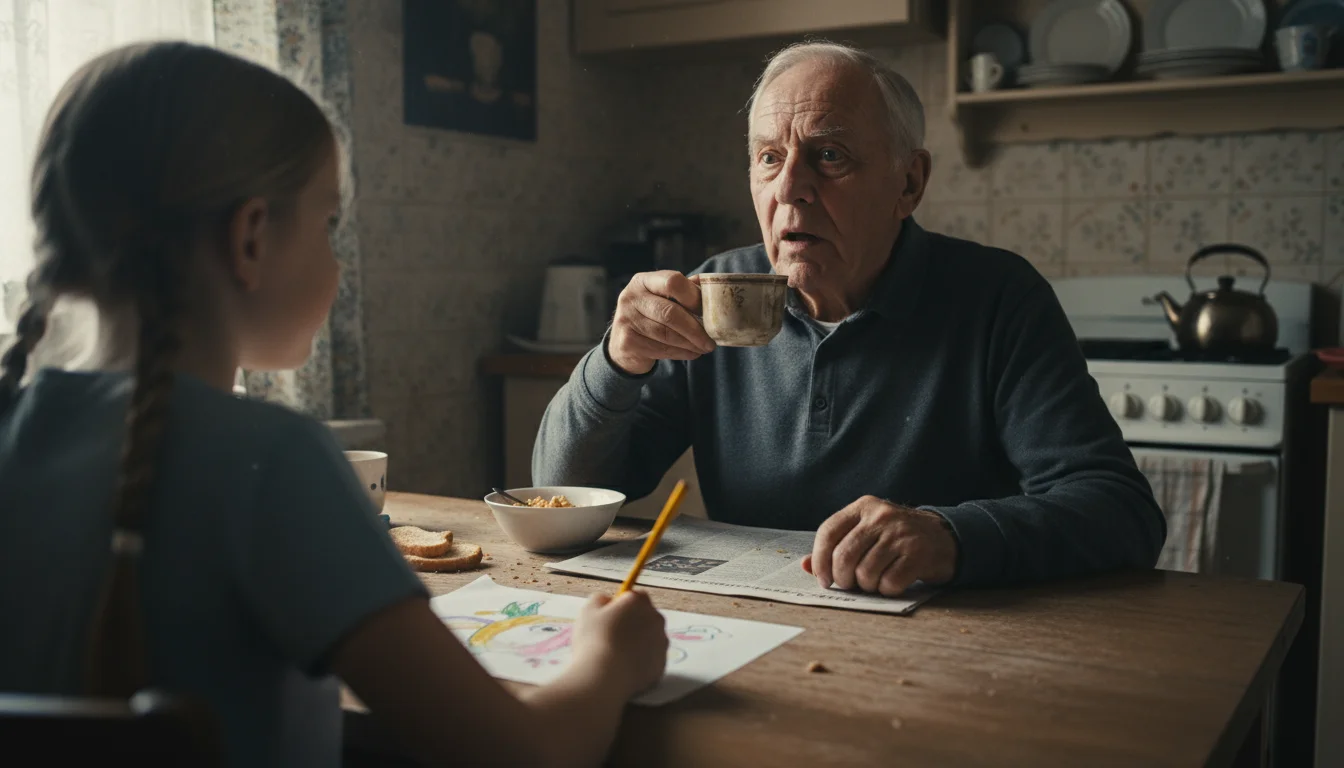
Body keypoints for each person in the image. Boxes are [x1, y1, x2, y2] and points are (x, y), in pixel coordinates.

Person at [0, 42, 666, 768]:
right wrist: (609, 659)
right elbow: (526, 756)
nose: (337, 258)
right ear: (250, 238)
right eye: (328, 223)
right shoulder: (271, 460)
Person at [534, 42, 1165, 597]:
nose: (790, 188)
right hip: (750, 622)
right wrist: (615, 363)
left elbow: (1121, 512)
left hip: (944, 642)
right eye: (769, 158)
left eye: (830, 155)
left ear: (909, 183)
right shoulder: (717, 293)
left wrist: (949, 535)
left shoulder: (999, 298)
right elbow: (560, 491)